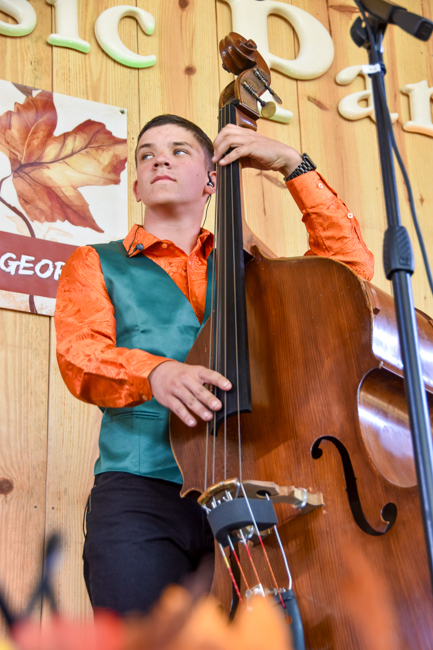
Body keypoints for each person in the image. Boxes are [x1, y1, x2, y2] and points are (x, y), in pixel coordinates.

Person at [54, 114, 374, 615]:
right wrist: (155, 372)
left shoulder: (255, 269)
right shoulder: (94, 262)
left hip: (253, 487)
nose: (159, 159)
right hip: (141, 494)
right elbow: (79, 356)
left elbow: (350, 275)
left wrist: (294, 165)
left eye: (179, 150)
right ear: (136, 188)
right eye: (147, 154)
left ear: (212, 179)